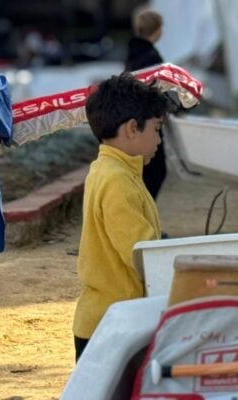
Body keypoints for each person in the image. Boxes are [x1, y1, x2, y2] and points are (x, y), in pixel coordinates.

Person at [72, 74, 171, 361]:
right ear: (131, 128)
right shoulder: (118, 180)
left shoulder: (110, 169)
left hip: (105, 320)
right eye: (156, 129)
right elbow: (142, 255)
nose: (159, 140)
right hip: (114, 325)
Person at [124, 6, 167, 199]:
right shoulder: (151, 57)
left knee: (144, 173)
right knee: (155, 172)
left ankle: (141, 212)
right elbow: (155, 90)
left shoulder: (132, 53)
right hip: (148, 121)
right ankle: (143, 214)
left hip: (133, 118)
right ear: (157, 29)